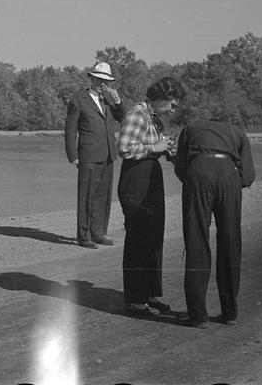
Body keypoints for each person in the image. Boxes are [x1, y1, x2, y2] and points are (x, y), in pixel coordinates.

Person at [172, 116, 256, 327]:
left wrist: (194, 177)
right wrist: (233, 181)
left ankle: (198, 315)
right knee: (230, 240)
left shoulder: (190, 126)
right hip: (229, 175)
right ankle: (229, 312)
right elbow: (248, 177)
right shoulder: (237, 132)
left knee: (196, 239)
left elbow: (180, 166)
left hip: (199, 172)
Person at [116, 76, 185, 315]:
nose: (173, 110)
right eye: (172, 104)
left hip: (150, 179)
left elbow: (149, 146)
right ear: (161, 97)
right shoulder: (137, 113)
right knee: (138, 238)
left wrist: (166, 148)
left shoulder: (153, 119)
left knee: (154, 237)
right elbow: (124, 148)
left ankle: (149, 294)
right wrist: (154, 148)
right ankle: (135, 299)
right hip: (136, 181)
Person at [64, 61, 125, 249]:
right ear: (92, 78)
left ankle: (98, 233)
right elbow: (70, 130)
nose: (102, 84)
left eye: (106, 81)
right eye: (99, 79)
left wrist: (118, 102)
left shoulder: (108, 100)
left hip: (108, 154)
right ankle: (84, 236)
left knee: (103, 197)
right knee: (86, 197)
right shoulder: (78, 99)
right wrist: (73, 155)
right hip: (88, 155)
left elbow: (123, 118)